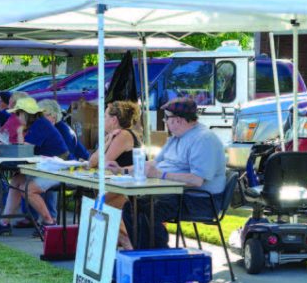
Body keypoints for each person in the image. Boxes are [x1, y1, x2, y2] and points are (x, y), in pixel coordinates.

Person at [135, 97, 227, 249]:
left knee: (147, 209)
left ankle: (158, 255)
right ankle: (144, 253)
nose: (165, 121)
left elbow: (197, 180)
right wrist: (122, 170)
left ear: (178, 120)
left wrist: (161, 175)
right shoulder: (176, 138)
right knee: (133, 206)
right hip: (180, 195)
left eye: (166, 117)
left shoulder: (203, 139)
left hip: (201, 200)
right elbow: (153, 164)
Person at [0, 97, 68, 235]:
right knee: (15, 181)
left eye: (18, 114)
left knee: (27, 189)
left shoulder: (40, 125)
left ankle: (49, 223)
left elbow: (25, 148)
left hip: (58, 168)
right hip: (46, 166)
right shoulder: (36, 125)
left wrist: (8, 143)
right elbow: (23, 147)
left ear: (25, 113)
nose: (16, 117)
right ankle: (4, 223)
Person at [92, 101, 142, 250]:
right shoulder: (117, 135)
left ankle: (127, 244)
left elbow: (102, 163)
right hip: (121, 184)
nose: (102, 119)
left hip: (130, 186)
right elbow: (91, 162)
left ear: (114, 120)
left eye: (105, 116)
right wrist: (107, 140)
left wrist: (107, 143)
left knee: (99, 205)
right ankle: (118, 245)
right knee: (100, 205)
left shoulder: (124, 135)